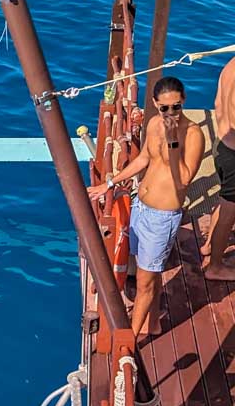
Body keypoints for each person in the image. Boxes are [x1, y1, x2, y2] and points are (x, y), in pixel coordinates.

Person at [88, 76, 204, 336]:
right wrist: (109, 183)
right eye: (165, 108)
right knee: (145, 273)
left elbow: (183, 179)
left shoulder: (193, 135)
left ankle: (128, 342)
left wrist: (173, 141)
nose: (171, 112)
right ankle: (153, 322)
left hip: (162, 218)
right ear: (155, 104)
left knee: (145, 283)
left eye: (176, 106)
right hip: (141, 208)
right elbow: (143, 159)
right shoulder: (153, 124)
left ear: (184, 100)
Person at [200, 54, 235, 280]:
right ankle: (216, 267)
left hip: (221, 145)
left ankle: (209, 245)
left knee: (224, 201)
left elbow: (217, 104)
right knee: (229, 212)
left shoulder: (230, 65)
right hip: (234, 154)